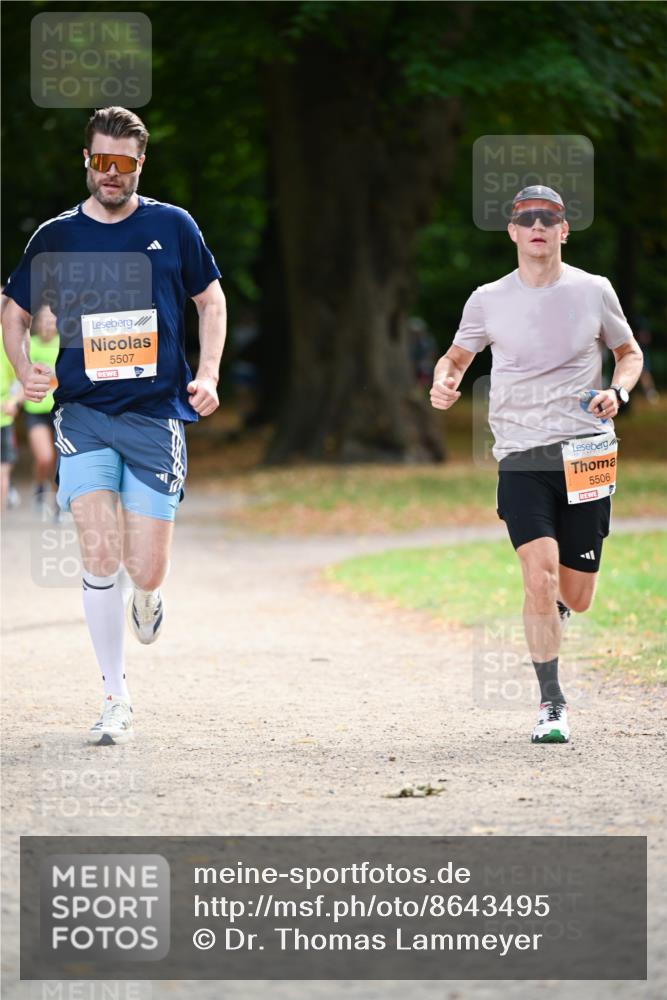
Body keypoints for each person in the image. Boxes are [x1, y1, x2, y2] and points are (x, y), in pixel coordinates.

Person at [2, 106, 226, 745]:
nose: (111, 173)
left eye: (123, 164)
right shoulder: (57, 236)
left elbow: (210, 300)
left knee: (145, 567)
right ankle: (114, 696)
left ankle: (148, 598)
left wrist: (207, 374)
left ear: (139, 166)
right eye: (101, 161)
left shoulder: (171, 226)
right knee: (100, 553)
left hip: (156, 415)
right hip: (84, 414)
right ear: (87, 160)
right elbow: (13, 313)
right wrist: (25, 373)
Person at [430, 185, 643, 745]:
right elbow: (457, 356)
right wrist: (445, 378)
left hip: (587, 451)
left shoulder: (594, 291)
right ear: (513, 232)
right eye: (527, 218)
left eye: (549, 217)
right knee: (539, 575)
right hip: (522, 456)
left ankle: (556, 612)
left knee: (575, 594)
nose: (538, 226)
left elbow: (629, 353)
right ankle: (552, 703)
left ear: (564, 229)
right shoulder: (487, 299)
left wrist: (617, 394)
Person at [23, 305, 59, 515]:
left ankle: (56, 504)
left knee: (58, 460)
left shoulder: (64, 345)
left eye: (52, 319)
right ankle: (39, 484)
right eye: (44, 319)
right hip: (35, 411)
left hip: (60, 411)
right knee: (45, 458)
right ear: (37, 324)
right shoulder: (29, 345)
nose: (48, 323)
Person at [0, 322, 23, 510]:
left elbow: (18, 378)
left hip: (3, 420)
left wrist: (14, 401)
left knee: (3, 473)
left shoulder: (6, 336)